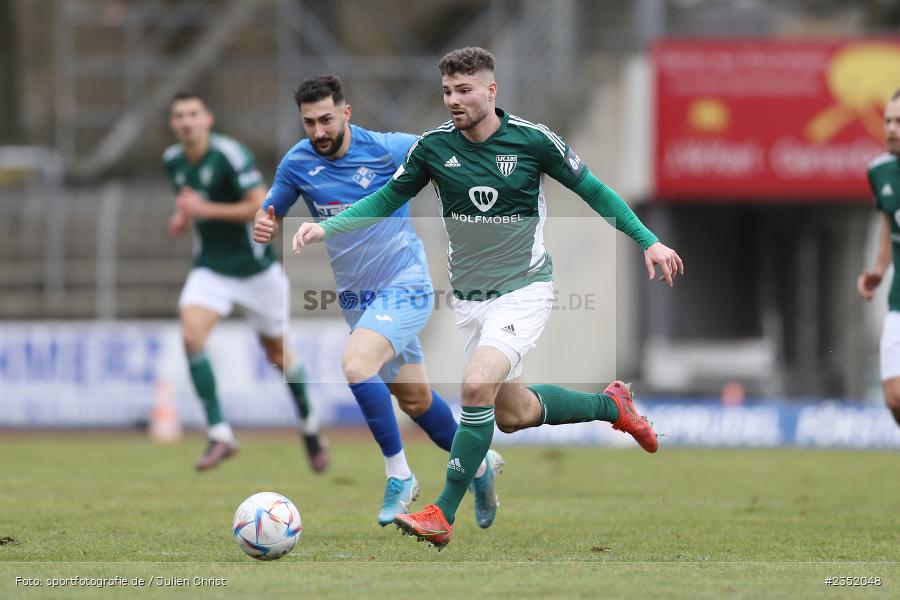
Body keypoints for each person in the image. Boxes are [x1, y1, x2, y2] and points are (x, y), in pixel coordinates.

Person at [291, 48, 684, 550]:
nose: (453, 100)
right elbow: (386, 198)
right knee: (512, 414)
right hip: (471, 302)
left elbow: (596, 192)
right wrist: (328, 227)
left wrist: (649, 240)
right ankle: (612, 406)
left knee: (474, 385)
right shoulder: (433, 149)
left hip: (525, 290)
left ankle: (442, 512)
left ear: (490, 90)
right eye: (447, 92)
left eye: (464, 90)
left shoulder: (533, 140)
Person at [252, 75, 504, 527]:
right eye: (309, 122)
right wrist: (264, 222)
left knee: (355, 366)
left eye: (326, 119)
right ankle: (481, 467)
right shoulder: (297, 163)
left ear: (346, 113)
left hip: (406, 283)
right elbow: (273, 207)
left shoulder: (388, 149)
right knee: (416, 402)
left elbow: (448, 148)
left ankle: (399, 475)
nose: (318, 131)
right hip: (360, 301)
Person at [164, 92, 328, 472]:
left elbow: (259, 205)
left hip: (257, 273)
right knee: (191, 337)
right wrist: (183, 218)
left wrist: (203, 210)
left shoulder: (230, 155)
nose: (186, 121)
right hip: (211, 269)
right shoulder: (172, 160)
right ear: (173, 124)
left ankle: (309, 425)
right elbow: (190, 201)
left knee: (278, 357)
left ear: (208, 118)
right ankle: (220, 433)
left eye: (193, 113)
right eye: (179, 116)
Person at [857, 88, 900, 429]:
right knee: (894, 398)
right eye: (888, 120)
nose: (891, 128)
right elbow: (889, 219)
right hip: (897, 300)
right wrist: (879, 268)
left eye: (899, 122)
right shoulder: (880, 171)